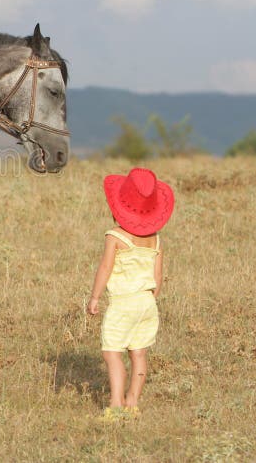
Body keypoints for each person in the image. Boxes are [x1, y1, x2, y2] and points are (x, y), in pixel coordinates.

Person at [86, 167, 175, 420]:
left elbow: (105, 268)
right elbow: (158, 278)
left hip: (123, 303)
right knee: (139, 353)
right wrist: (149, 299)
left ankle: (115, 405)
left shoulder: (115, 237)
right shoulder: (156, 240)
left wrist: (94, 297)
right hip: (147, 302)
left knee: (112, 352)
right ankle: (133, 402)